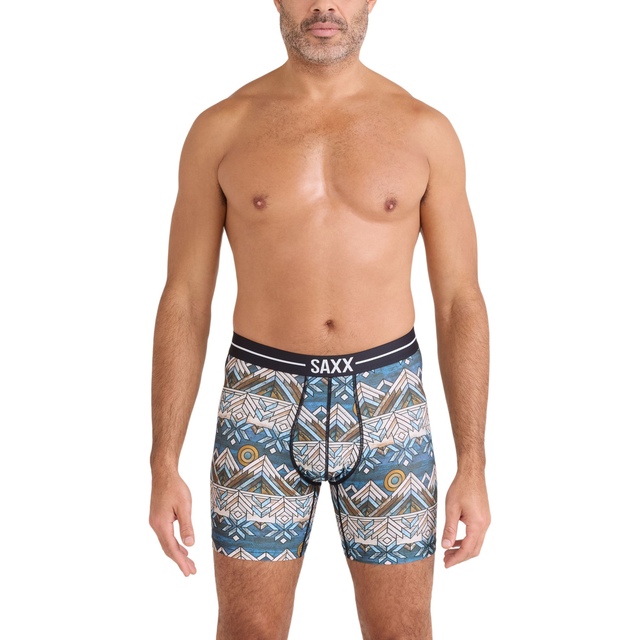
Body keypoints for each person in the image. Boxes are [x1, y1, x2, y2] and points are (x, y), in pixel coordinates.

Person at [149, 1, 490, 638]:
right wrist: (162, 461)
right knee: (248, 629)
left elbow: (459, 302)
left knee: (402, 630)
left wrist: (473, 463)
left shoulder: (424, 131)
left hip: (388, 398)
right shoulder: (222, 129)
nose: (325, 5)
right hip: (261, 395)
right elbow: (186, 299)